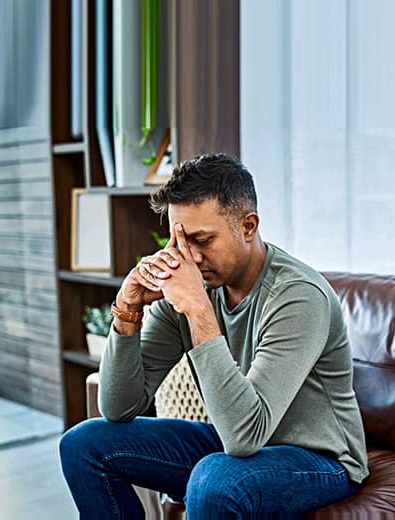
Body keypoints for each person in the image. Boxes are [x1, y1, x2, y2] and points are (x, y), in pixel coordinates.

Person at [60, 153, 369, 518]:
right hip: (235, 440)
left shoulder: (298, 295)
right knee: (84, 444)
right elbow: (118, 407)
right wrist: (128, 311)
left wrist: (199, 311)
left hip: (320, 459)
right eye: (180, 241)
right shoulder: (193, 284)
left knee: (216, 478)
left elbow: (244, 436)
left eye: (202, 240)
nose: (189, 258)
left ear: (249, 226)